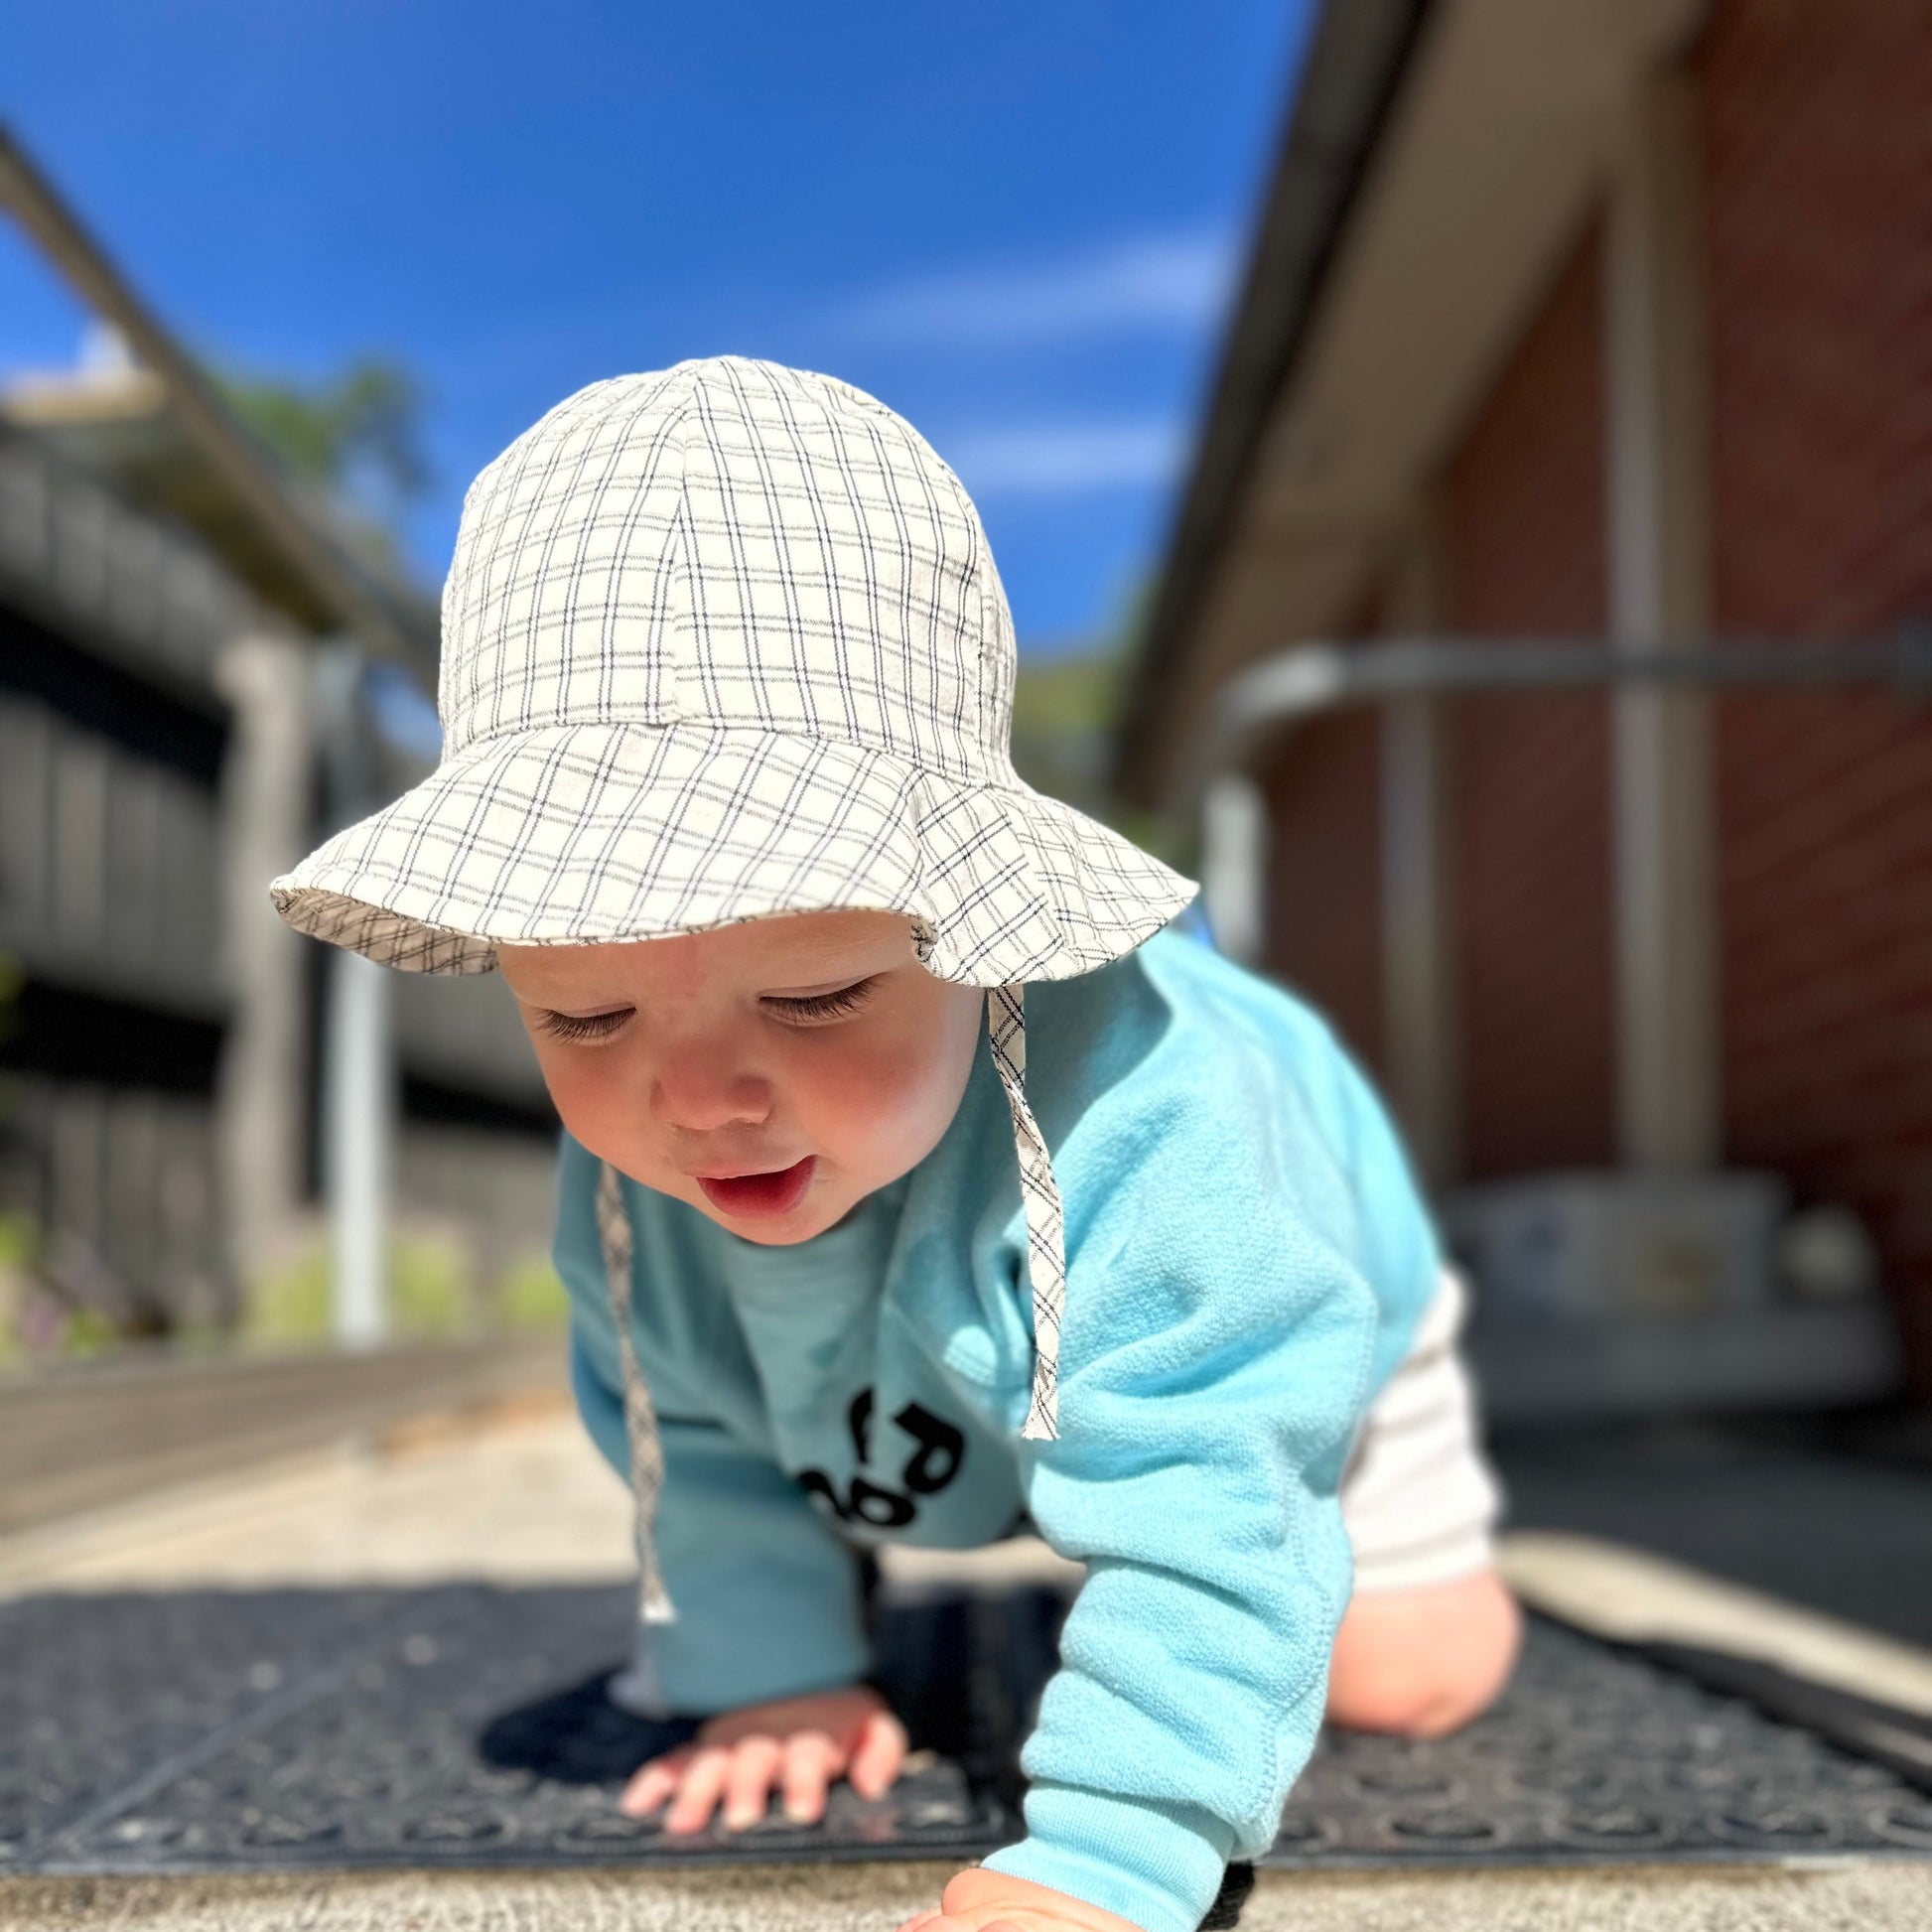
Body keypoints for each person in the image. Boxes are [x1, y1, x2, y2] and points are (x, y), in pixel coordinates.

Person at [272, 357, 1520, 1932]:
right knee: (757, 1594)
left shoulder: (1161, 1121)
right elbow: (694, 1453)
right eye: (584, 1019)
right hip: (898, 1400)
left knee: (1402, 1673)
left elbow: (1218, 1492)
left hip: (1299, 1321)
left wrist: (1113, 1856)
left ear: (971, 926)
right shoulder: (633, 1189)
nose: (700, 1096)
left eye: (814, 994)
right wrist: (770, 1676)